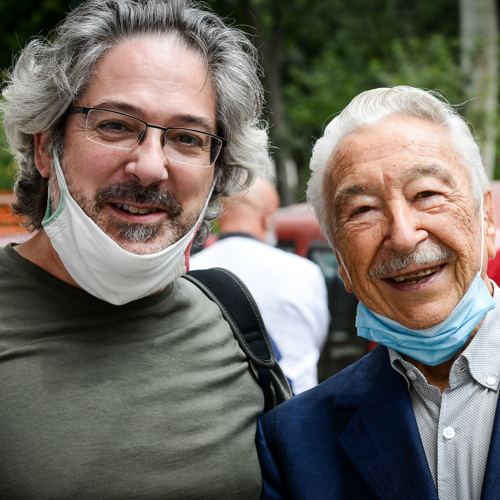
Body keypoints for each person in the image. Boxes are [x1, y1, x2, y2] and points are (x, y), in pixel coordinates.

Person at [0, 1, 291, 498]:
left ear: (219, 170)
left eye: (187, 138)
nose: (151, 167)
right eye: (115, 125)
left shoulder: (233, 323)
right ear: (46, 145)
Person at [256, 86, 500, 500]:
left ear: (487, 219)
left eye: (427, 194)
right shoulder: (293, 442)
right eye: (363, 210)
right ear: (340, 261)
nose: (403, 236)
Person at [191, 178, 330, 394]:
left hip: (221, 403)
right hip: (299, 402)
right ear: (267, 217)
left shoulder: (190, 270)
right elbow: (317, 339)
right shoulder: (304, 271)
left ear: (219, 215)